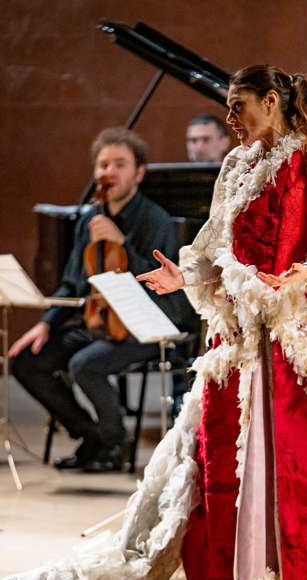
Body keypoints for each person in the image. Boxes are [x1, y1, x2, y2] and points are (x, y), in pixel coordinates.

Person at [0, 69, 307, 580]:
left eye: (238, 106)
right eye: (228, 106)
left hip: (294, 338)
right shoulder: (237, 164)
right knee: (228, 459)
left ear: (273, 101)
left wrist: (306, 272)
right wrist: (183, 278)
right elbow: (220, 250)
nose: (230, 118)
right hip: (240, 337)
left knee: (297, 460)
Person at [9, 126, 189, 473]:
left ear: (138, 173)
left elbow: (165, 285)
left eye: (119, 164)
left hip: (149, 324)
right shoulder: (89, 220)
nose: (109, 172)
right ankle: (92, 436)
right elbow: (72, 282)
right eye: (103, 165)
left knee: (84, 365)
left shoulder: (155, 219)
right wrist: (45, 325)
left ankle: (115, 445)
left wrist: (123, 246)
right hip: (99, 320)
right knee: (27, 361)